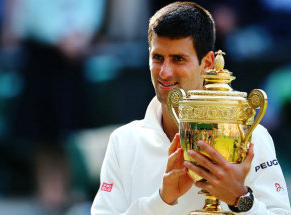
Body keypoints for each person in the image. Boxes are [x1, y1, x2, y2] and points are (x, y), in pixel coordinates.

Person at [91, 2, 290, 214]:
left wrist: (239, 198)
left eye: (178, 59)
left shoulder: (252, 137)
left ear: (207, 64)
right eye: (158, 58)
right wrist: (162, 200)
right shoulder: (123, 141)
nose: (165, 72)